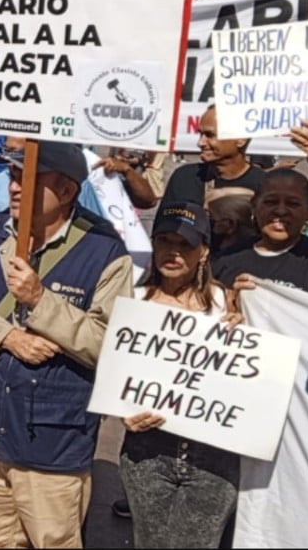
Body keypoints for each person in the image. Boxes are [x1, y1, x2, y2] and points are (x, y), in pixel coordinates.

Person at [0, 141, 134, 548]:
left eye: (29, 178)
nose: (14, 186)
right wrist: (4, 336)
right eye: (13, 175)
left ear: (66, 190)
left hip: (54, 446)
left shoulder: (106, 252)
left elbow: (110, 345)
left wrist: (42, 302)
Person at [118, 202, 242, 549]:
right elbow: (115, 375)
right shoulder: (133, 301)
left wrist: (246, 332)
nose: (173, 252)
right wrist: (121, 410)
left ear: (203, 251)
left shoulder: (226, 303)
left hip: (213, 458)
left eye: (185, 244)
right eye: (164, 241)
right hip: (147, 453)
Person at [214, 120, 308, 296]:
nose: (280, 211)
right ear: (254, 205)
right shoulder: (226, 260)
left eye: (293, 203)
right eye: (271, 202)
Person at [162, 106, 266, 207]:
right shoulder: (184, 178)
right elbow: (165, 223)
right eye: (200, 134)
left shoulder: (265, 185)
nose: (200, 143)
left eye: (210, 135)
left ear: (240, 139)